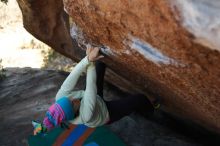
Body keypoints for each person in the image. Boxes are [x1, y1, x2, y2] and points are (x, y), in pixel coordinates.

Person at [33, 47, 155, 135]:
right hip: (106, 113)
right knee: (139, 99)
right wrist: (90, 61)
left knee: (100, 65)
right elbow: (91, 87)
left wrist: (88, 59)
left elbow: (73, 75)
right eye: (72, 104)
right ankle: (152, 109)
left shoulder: (61, 97)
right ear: (73, 112)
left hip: (93, 98)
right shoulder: (86, 116)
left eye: (68, 99)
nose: (73, 99)